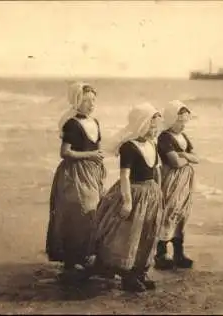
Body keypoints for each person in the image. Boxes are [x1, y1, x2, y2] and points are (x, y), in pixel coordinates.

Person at [86, 103, 163, 292]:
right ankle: (127, 275)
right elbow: (124, 176)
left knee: (148, 233)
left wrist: (159, 191)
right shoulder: (129, 147)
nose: (155, 130)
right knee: (130, 234)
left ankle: (140, 272)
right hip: (134, 192)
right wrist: (127, 200)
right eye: (152, 126)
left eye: (156, 127)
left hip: (151, 193)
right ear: (141, 124)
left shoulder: (152, 144)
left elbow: (156, 170)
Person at [46, 82, 106, 282]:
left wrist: (99, 169)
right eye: (86, 100)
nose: (90, 104)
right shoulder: (72, 124)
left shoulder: (95, 122)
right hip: (74, 174)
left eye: (93, 100)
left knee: (93, 212)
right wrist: (91, 155)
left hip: (91, 173)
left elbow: (98, 149)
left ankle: (84, 257)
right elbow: (65, 152)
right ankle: (71, 261)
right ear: (76, 101)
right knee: (78, 213)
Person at [154, 100, 199, 270]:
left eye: (185, 121)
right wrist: (185, 157)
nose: (182, 125)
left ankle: (179, 253)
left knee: (182, 213)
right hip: (171, 178)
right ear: (171, 119)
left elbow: (196, 158)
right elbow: (174, 162)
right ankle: (161, 253)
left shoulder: (183, 137)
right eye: (179, 121)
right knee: (169, 211)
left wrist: (183, 155)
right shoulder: (165, 137)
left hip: (185, 181)